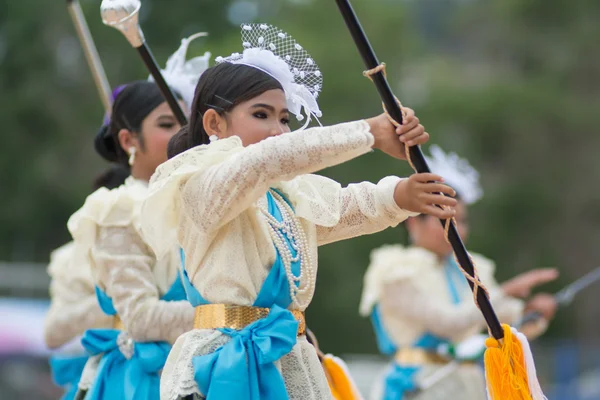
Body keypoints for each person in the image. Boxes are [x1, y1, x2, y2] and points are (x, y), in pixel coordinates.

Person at [139, 23, 457, 400]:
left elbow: (343, 208)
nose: (278, 130)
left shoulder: (287, 197)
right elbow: (266, 160)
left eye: (285, 119)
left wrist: (400, 195)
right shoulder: (199, 185)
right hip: (221, 368)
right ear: (214, 123)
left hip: (291, 362)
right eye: (261, 115)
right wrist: (368, 133)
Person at [359, 145, 558, 400]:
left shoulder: (472, 268)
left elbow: (501, 324)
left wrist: (534, 313)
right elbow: (448, 323)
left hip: (469, 385)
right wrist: (504, 291)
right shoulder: (395, 270)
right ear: (413, 222)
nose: (458, 230)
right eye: (445, 220)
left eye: (462, 220)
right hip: (419, 385)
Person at [45, 166, 129, 400]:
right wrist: (123, 297)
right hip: (92, 379)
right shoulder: (72, 260)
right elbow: (52, 333)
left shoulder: (166, 246)